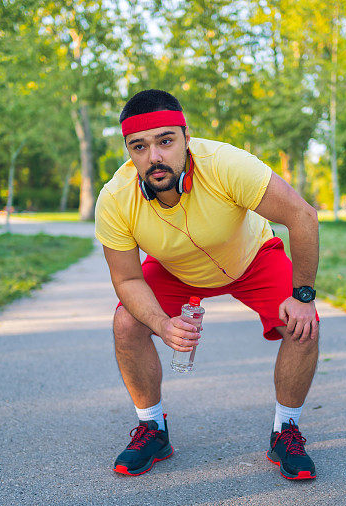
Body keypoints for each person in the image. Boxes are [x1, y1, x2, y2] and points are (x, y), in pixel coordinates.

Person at [95, 89, 320, 481]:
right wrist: (162, 325)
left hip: (252, 258)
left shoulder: (226, 164)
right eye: (139, 146)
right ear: (128, 150)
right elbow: (127, 278)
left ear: (186, 136)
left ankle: (286, 430)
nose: (154, 157)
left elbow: (302, 216)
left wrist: (302, 297)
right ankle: (153, 429)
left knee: (303, 325)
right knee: (127, 323)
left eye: (165, 141)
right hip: (175, 269)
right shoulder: (116, 198)